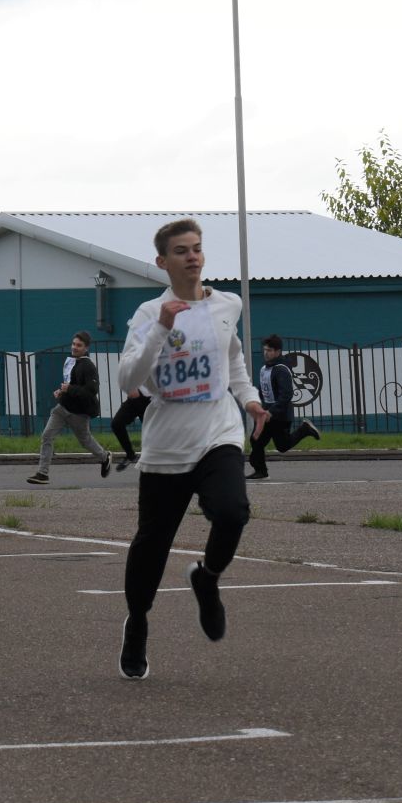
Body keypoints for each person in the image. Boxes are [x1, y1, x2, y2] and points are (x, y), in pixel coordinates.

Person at [114, 218, 268, 681]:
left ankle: (208, 576)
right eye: (181, 251)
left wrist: (250, 400)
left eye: (197, 249)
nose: (193, 257)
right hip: (166, 447)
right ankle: (138, 623)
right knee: (150, 549)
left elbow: (234, 358)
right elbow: (129, 380)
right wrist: (163, 328)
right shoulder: (147, 315)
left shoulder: (227, 305)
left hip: (218, 433)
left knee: (232, 511)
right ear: (163, 262)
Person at [27, 331, 111, 484]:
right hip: (62, 408)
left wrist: (69, 389)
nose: (74, 347)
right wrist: (61, 391)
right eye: (73, 344)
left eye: (79, 345)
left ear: (86, 348)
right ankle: (42, 473)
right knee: (47, 435)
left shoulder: (88, 366)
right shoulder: (72, 361)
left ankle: (104, 457)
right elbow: (70, 383)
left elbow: (92, 391)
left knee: (85, 441)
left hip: (79, 413)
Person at [246, 334, 321, 479]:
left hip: (280, 415)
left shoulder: (281, 370)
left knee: (282, 446)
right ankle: (260, 471)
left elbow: (286, 395)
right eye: (265, 350)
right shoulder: (264, 369)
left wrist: (271, 412)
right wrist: (257, 405)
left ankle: (305, 429)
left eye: (270, 350)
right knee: (256, 440)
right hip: (267, 413)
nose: (266, 353)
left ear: (278, 352)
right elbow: (263, 390)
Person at [110, 387, 151, 471]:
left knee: (153, 433)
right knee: (116, 424)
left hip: (151, 400)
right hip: (134, 398)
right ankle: (130, 455)